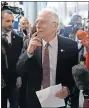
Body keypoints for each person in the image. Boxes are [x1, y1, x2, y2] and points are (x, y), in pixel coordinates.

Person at [17, 8, 79, 108]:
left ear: (55, 26)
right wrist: (28, 53)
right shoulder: (29, 43)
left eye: (43, 22)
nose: (38, 25)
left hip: (58, 98)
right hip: (34, 99)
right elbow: (19, 70)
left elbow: (74, 75)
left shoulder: (70, 46)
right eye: (37, 22)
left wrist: (68, 89)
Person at [1, 10, 23, 108]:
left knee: (14, 105)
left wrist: (19, 77)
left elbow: (20, 60)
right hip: (1, 81)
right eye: (7, 21)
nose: (11, 24)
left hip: (13, 82)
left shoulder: (18, 39)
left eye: (12, 21)